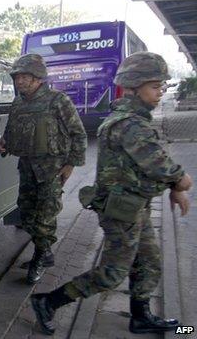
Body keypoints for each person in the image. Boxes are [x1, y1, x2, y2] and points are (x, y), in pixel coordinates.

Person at [30, 51, 193, 335]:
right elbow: (161, 166)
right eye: (155, 87)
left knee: (149, 259)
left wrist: (173, 188)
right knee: (112, 274)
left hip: (135, 206)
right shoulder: (130, 125)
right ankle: (48, 301)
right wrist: (182, 183)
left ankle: (140, 316)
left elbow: (148, 166)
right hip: (122, 211)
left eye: (161, 87)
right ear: (133, 87)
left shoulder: (130, 120)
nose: (160, 93)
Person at [0, 53, 87, 284]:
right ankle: (44, 252)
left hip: (51, 169)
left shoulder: (58, 101)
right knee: (26, 214)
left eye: (24, 76)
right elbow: (11, 132)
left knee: (45, 217)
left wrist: (71, 164)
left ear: (38, 78)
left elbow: (79, 134)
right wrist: (3, 144)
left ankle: (39, 256)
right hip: (26, 167)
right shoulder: (17, 103)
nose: (19, 81)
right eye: (17, 77)